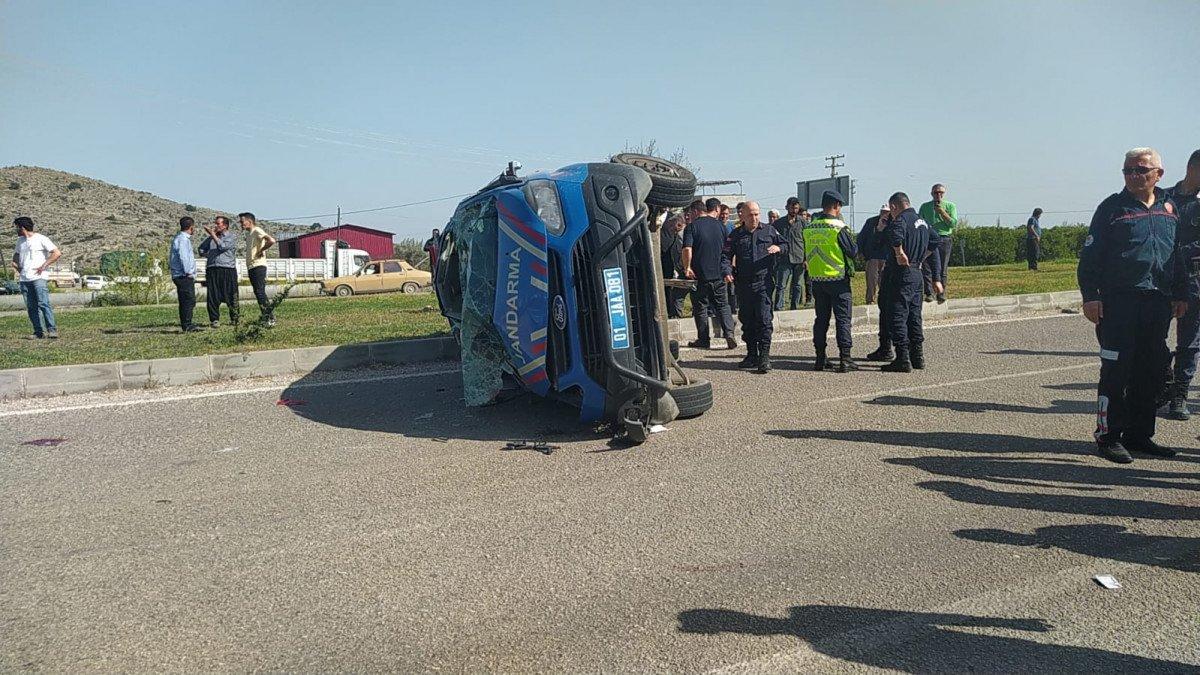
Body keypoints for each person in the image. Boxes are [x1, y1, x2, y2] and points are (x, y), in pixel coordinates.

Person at [1077, 147, 1187, 464]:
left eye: (1140, 170)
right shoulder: (1112, 209)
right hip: (1118, 303)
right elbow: (1090, 258)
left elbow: (1177, 254)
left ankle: (1140, 435)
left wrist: (1179, 293)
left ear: (1158, 174)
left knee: (1149, 372)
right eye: (1128, 171)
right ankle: (1108, 435)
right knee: (1116, 371)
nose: (1134, 176)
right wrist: (1091, 296)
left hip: (1157, 301)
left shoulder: (1170, 207)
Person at [881, 192, 942, 372]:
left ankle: (903, 358)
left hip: (902, 273)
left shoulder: (900, 220)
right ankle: (918, 357)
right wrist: (923, 256)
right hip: (917, 273)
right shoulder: (922, 221)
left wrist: (899, 254)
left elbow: (895, 236)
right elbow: (935, 239)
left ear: (894, 207)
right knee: (914, 316)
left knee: (898, 315)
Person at [722, 200, 786, 373]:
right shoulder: (735, 235)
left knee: (764, 320)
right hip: (743, 284)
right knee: (747, 320)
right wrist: (727, 271)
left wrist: (778, 248)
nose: (754, 217)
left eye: (757, 214)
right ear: (742, 215)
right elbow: (726, 256)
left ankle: (764, 357)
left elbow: (785, 245)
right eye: (751, 214)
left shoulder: (769, 230)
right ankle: (751, 354)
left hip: (763, 282)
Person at [1164, 149, 1200, 420]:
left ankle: (1179, 394)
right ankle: (1162, 380)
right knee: (1149, 337)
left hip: (1193, 281)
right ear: (1192, 168)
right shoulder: (1164, 198)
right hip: (1161, 281)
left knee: (1189, 342)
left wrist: (1175, 251)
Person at [806, 190, 859, 372]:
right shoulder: (838, 227)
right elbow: (853, 251)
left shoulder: (809, 227)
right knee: (843, 320)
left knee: (821, 320)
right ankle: (845, 359)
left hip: (817, 280)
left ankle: (820, 359)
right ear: (836, 205)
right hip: (838, 280)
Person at [683, 199, 737, 349]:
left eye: (690, 214)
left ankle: (703, 339)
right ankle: (729, 334)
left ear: (695, 211)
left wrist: (687, 267)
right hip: (719, 273)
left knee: (701, 307)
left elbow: (687, 249)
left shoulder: (692, 227)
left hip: (700, 275)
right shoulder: (721, 225)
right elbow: (728, 248)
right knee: (723, 305)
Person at [11, 216, 60, 339]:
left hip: (39, 277)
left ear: (22, 227)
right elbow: (16, 255)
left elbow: (56, 253)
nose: (16, 230)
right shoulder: (20, 241)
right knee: (31, 307)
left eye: (17, 227)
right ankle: (38, 332)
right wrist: (16, 265)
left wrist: (44, 266)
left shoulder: (41, 239)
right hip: (24, 279)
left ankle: (52, 330)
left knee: (43, 303)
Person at [861, 206, 894, 362]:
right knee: (871, 281)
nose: (885, 214)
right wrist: (863, 253)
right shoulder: (871, 222)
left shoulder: (894, 222)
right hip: (873, 256)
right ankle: (870, 300)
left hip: (887, 258)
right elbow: (863, 238)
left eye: (887, 212)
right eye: (883, 212)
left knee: (885, 285)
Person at [918, 183, 956, 303]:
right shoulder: (925, 207)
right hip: (929, 239)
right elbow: (920, 222)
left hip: (944, 238)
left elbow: (953, 223)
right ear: (932, 193)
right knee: (927, 266)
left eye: (941, 192)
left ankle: (941, 293)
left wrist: (942, 212)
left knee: (942, 268)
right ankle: (929, 293)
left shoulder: (950, 206)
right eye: (936, 192)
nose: (938, 195)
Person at [199, 216, 239, 328]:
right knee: (213, 295)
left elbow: (222, 246)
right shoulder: (212, 237)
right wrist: (209, 253)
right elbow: (201, 249)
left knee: (231, 295)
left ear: (225, 225)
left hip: (227, 269)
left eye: (218, 224)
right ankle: (214, 319)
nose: (216, 226)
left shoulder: (231, 237)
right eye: (215, 223)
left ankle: (234, 318)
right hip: (212, 268)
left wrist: (212, 234)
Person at [771, 198, 807, 311]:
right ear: (787, 207)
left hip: (799, 258)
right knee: (781, 285)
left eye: (796, 208)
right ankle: (778, 307)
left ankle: (794, 307)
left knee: (797, 285)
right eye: (792, 207)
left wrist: (806, 259)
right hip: (784, 258)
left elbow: (807, 241)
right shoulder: (778, 223)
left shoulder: (803, 223)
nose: (794, 210)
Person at [240, 212, 277, 327]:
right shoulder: (249, 234)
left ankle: (270, 317)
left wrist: (261, 250)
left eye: (242, 222)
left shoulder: (257, 230)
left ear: (249, 221)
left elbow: (271, 240)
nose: (240, 224)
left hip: (258, 266)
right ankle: (266, 316)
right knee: (258, 292)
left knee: (260, 292)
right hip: (251, 266)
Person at [169, 217, 200, 332]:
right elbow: (184, 257)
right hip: (183, 275)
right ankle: (187, 325)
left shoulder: (180, 238)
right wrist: (188, 272)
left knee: (187, 300)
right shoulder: (183, 240)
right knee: (188, 300)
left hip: (182, 274)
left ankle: (187, 323)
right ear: (191, 227)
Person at [660, 213, 686, 318]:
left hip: (669, 264)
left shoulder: (673, 234)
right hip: (661, 259)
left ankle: (668, 311)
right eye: (676, 229)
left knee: (668, 290)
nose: (676, 232)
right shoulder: (662, 224)